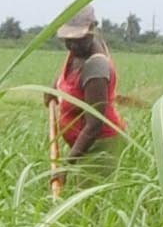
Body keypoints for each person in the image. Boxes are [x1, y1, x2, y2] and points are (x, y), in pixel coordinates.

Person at [49, 11, 123, 190]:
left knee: (90, 209)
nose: (72, 44)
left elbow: (94, 125)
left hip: (100, 145)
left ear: (91, 30)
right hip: (83, 145)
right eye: (68, 39)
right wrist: (52, 91)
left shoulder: (96, 66)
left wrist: (66, 165)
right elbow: (65, 80)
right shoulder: (78, 51)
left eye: (77, 38)